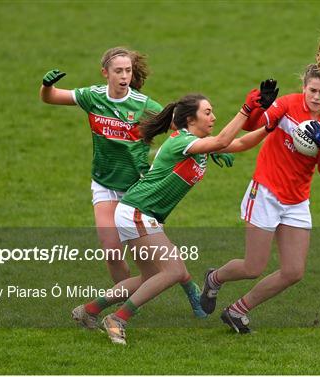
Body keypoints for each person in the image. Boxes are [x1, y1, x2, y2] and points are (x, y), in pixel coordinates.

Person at [71, 80, 279, 344]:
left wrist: (269, 126)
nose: (213, 116)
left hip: (139, 213)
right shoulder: (181, 142)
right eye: (207, 112)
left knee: (152, 276)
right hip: (138, 212)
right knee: (171, 271)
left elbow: (237, 144)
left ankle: (88, 310)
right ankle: (118, 319)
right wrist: (246, 109)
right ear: (190, 119)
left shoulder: (196, 143)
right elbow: (224, 140)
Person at [199, 30, 320, 333]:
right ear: (304, 87)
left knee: (294, 271)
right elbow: (257, 126)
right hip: (266, 191)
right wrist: (259, 106)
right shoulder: (288, 104)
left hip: (296, 200)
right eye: (312, 91)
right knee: (252, 267)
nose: (316, 97)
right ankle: (214, 278)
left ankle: (238, 311)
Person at [39, 46, 206, 317]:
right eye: (118, 71)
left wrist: (208, 148)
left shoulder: (143, 105)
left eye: (128, 70)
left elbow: (182, 128)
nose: (124, 75)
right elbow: (51, 98)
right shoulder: (92, 97)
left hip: (136, 190)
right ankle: (124, 298)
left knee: (155, 257)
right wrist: (46, 86)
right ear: (105, 73)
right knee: (112, 253)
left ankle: (189, 286)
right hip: (104, 185)